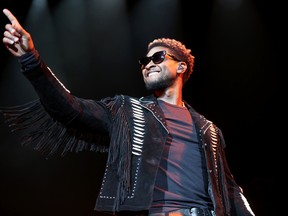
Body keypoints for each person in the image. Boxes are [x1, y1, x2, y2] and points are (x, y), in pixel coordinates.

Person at [1, 8, 255, 216]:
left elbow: (230, 189)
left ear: (180, 67)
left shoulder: (208, 129)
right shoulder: (127, 110)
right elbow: (71, 109)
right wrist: (31, 59)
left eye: (158, 58)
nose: (148, 65)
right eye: (144, 62)